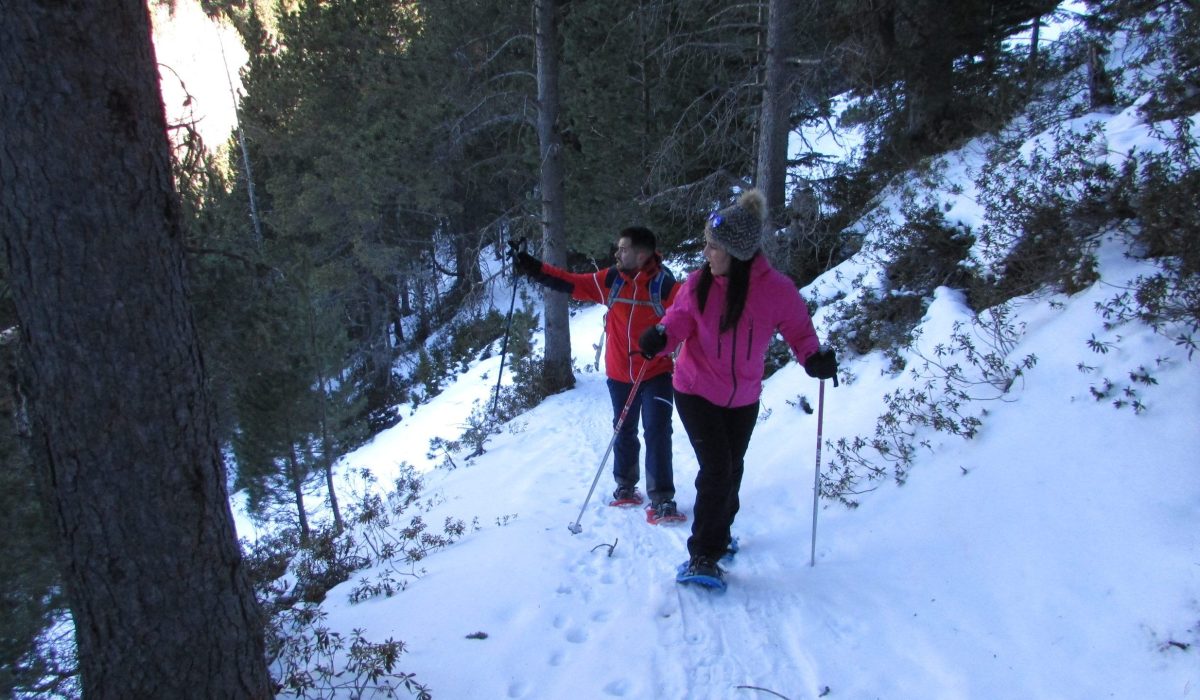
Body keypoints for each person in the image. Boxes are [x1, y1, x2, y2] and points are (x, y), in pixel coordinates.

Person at [638, 189, 838, 585]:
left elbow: (799, 330)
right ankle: (703, 555)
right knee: (717, 468)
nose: (706, 252)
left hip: (743, 396)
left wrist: (812, 358)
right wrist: (660, 336)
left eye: (713, 246)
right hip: (695, 389)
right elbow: (677, 321)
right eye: (708, 245)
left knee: (733, 467)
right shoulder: (699, 284)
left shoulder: (776, 290)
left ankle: (720, 532)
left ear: (736, 251)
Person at [510, 227, 684, 522]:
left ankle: (662, 499)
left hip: (655, 372)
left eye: (623, 249)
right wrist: (532, 266)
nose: (617, 254)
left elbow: (689, 315)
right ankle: (626, 488)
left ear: (641, 255)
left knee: (657, 431)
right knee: (623, 429)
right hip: (619, 373)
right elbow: (569, 282)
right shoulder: (611, 279)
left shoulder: (665, 286)